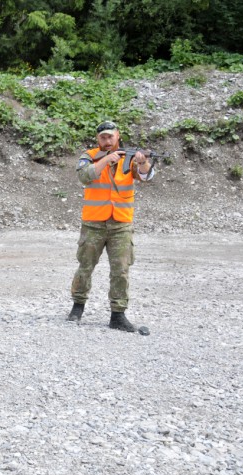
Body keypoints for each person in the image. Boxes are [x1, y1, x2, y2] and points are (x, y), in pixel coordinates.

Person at [67, 121, 155, 332]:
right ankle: (77, 308)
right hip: (94, 222)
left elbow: (146, 176)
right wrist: (106, 160)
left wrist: (142, 163)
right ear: (98, 139)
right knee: (85, 266)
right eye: (103, 138)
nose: (107, 141)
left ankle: (118, 314)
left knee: (121, 271)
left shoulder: (129, 158)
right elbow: (84, 176)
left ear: (118, 136)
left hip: (121, 222)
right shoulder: (89, 156)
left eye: (110, 137)